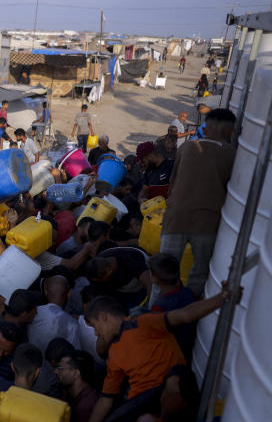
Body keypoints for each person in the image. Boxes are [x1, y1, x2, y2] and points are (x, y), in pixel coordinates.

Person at [70, 289, 236, 422]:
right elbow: (106, 400)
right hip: (138, 407)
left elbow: (184, 315)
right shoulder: (114, 354)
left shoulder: (144, 323)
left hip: (170, 392)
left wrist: (222, 298)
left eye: (94, 326)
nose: (95, 334)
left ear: (103, 316)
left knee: (176, 378)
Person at [161, 108, 237, 295]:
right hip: (208, 223)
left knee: (163, 275)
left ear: (207, 127)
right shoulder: (232, 154)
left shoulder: (186, 147)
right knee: (198, 276)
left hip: (176, 219)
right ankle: (188, 313)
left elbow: (172, 184)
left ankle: (158, 314)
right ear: (229, 131)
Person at [148, 252, 198, 354]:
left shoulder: (158, 307)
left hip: (172, 354)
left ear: (155, 279)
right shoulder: (189, 293)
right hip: (190, 348)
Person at [86, 246, 151, 311]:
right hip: (122, 289)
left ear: (109, 272)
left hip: (142, 281)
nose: (97, 282)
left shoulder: (130, 259)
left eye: (99, 280)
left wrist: (152, 305)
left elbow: (149, 284)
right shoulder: (97, 265)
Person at [28, 276, 80, 353]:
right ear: (68, 294)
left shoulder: (32, 313)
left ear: (45, 292)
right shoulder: (72, 324)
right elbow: (76, 354)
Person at [54, 351, 100, 422]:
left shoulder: (86, 406)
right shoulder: (72, 395)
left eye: (60, 368)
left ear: (76, 373)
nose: (55, 371)